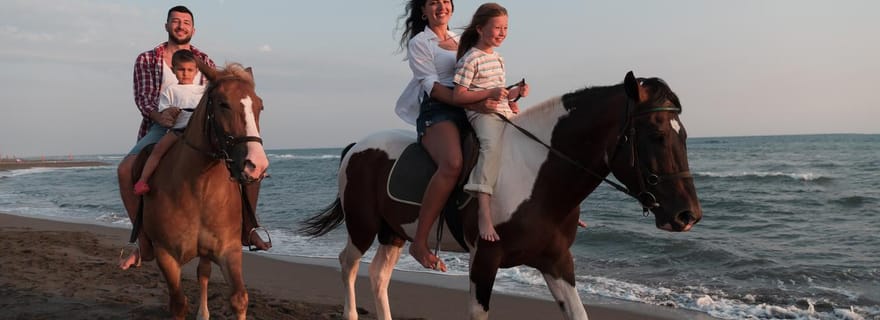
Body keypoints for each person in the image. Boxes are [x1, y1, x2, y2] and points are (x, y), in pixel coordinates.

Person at [118, 6, 268, 270]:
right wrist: (159, 116)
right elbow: (143, 97)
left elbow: (223, 94)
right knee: (125, 169)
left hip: (199, 127)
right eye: (175, 21)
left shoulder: (204, 60)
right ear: (166, 26)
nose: (181, 26)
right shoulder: (147, 59)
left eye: (186, 22)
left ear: (193, 29)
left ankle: (249, 226)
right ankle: (142, 241)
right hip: (162, 125)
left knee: (249, 164)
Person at [396, 0, 502, 272]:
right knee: (453, 164)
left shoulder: (461, 38)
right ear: (423, 11)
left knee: (509, 144)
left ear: (452, 8)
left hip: (471, 103)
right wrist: (474, 103)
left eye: (445, 1)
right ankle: (419, 242)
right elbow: (434, 89)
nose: (441, 6)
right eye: (433, 2)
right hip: (438, 110)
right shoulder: (420, 43)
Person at [452, 3, 528, 242]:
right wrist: (489, 95)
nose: (502, 32)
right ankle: (483, 211)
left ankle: (548, 201)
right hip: (481, 114)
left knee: (533, 142)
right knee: (491, 148)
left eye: (505, 28)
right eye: (497, 28)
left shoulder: (498, 58)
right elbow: (458, 95)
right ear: (480, 29)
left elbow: (500, 91)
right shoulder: (470, 59)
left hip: (502, 110)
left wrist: (515, 93)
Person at [132, 50, 204, 196]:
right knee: (158, 150)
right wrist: (171, 112)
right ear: (173, 70)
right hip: (178, 130)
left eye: (190, 70)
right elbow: (164, 111)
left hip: (198, 131)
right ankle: (143, 180)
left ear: (196, 71)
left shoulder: (202, 90)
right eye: (181, 69)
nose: (185, 73)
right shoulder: (171, 90)